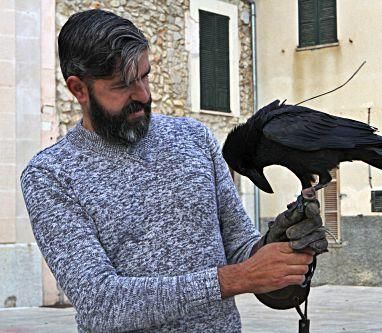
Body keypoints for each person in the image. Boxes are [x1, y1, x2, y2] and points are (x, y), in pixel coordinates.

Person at [20, 9, 327, 333]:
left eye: (145, 76)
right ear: (78, 89)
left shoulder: (194, 138)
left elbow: (239, 246)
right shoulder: (50, 176)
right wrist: (239, 277)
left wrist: (274, 247)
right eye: (123, 85)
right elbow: (102, 304)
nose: (143, 95)